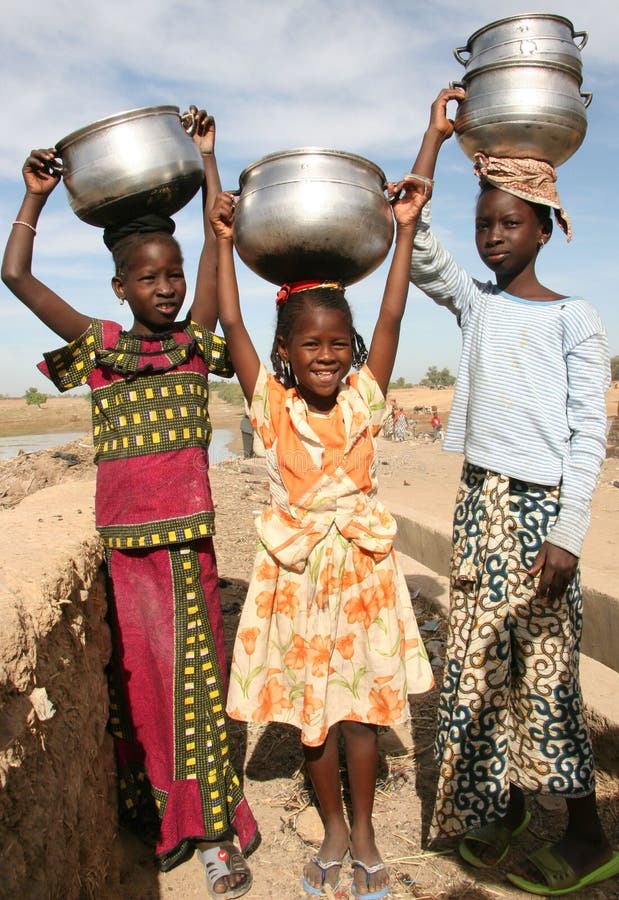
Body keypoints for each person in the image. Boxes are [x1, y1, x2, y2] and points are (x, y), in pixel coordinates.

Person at [1, 109, 258, 898]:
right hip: (124, 548)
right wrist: (35, 198)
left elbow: (219, 249)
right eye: (149, 278)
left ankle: (214, 831)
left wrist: (210, 162)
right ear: (119, 285)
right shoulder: (104, 349)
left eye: (172, 276)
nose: (166, 288)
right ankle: (162, 821)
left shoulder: (193, 344)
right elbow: (15, 277)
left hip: (185, 551)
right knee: (139, 688)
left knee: (195, 685)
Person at [408, 86, 618, 896]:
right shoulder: (477, 306)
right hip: (480, 505)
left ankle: (588, 837)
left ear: (543, 227)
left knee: (543, 673)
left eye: (508, 223)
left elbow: (584, 436)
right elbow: (417, 241)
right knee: (481, 667)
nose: (492, 236)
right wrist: (433, 140)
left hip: (537, 520)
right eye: (483, 225)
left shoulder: (573, 319)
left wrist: (566, 533)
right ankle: (505, 810)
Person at [209, 179, 435, 899]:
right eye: (311, 343)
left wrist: (403, 226)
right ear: (286, 350)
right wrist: (220, 239)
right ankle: (332, 827)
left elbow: (393, 309)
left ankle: (362, 831)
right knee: (315, 719)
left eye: (340, 343)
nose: (327, 355)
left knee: (362, 713)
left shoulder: (366, 397)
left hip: (363, 576)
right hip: (298, 579)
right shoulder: (270, 406)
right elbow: (233, 326)